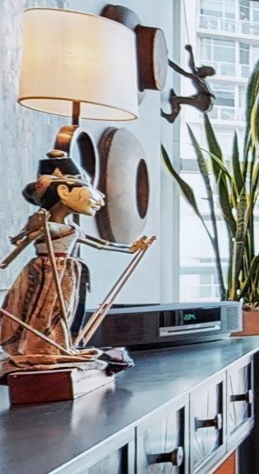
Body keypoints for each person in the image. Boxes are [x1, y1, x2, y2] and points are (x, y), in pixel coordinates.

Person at [0, 157, 152, 372]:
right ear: (63, 190)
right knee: (44, 311)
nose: (98, 197)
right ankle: (42, 349)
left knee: (66, 313)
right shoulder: (49, 226)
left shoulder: (73, 229)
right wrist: (4, 263)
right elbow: (20, 245)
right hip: (47, 272)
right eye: (87, 188)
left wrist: (131, 249)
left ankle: (61, 347)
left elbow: (102, 244)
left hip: (68, 273)